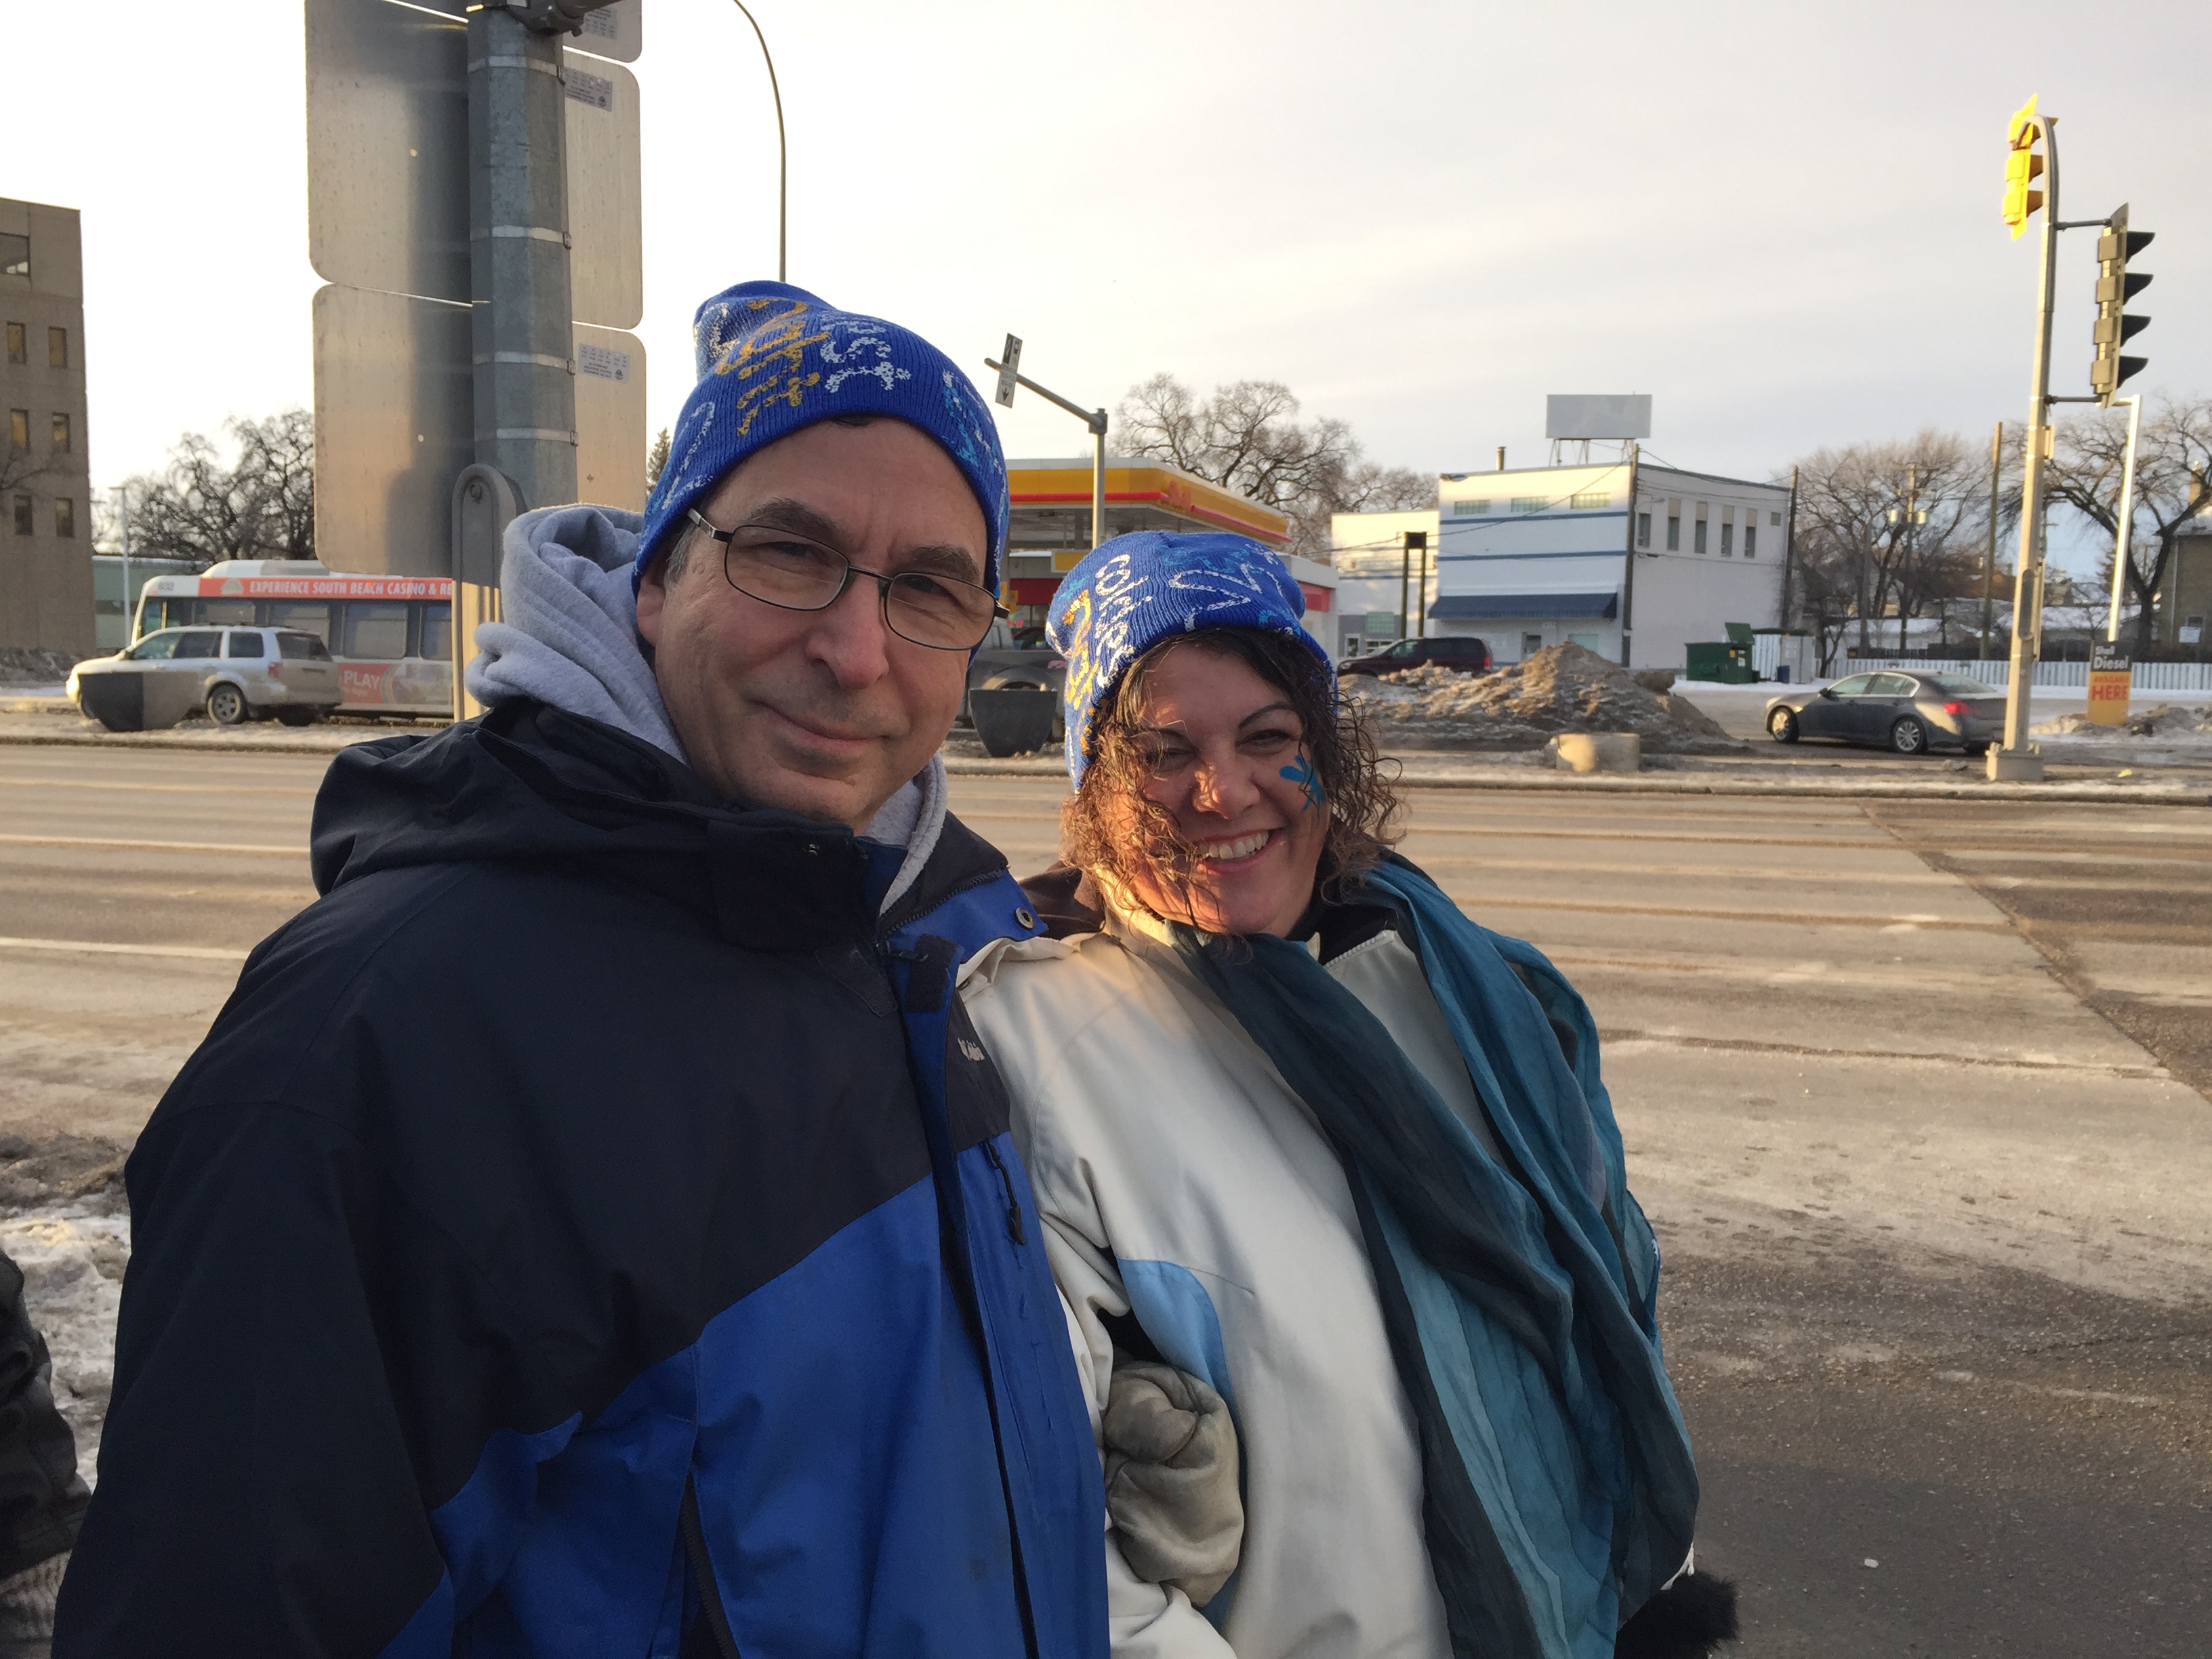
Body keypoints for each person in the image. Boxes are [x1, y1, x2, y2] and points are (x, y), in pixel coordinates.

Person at [54, 282, 1110, 1658]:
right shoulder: (381, 1046)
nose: (856, 652)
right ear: (656, 580)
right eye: (789, 555)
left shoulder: (920, 949)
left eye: (927, 589)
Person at [959, 532, 1739, 1659]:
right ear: (1096, 786)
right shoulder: (1034, 1047)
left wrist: (1655, 1589)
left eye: (1268, 738)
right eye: (1163, 753)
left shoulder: (1478, 991)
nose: (1223, 791)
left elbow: (1614, 1324)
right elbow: (1043, 1528)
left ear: (1327, 752)